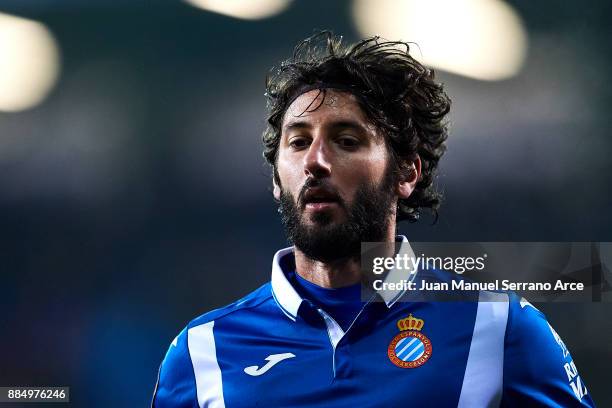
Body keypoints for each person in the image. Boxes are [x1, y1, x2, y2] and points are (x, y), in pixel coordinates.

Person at [151, 32, 595, 407]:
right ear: (274, 178)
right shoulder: (201, 352)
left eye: (346, 140)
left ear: (405, 172)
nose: (316, 162)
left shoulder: (499, 328)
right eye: (298, 142)